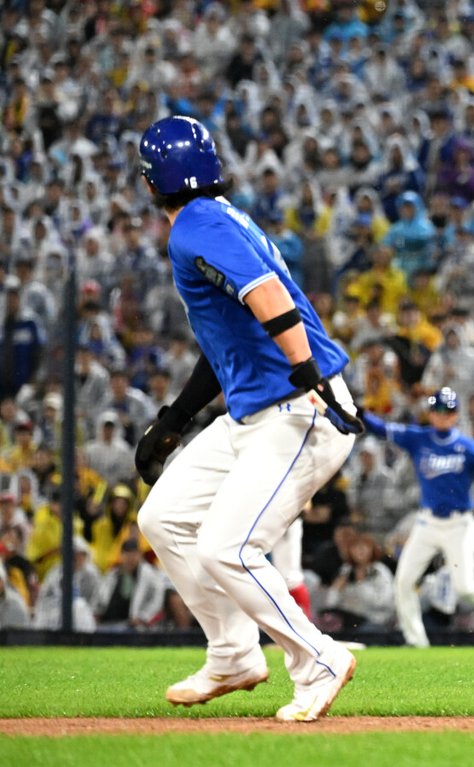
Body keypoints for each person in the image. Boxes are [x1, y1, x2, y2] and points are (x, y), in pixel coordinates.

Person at [133, 117, 363, 723]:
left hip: (297, 404)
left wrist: (309, 372)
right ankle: (233, 653)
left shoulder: (197, 226)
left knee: (228, 545)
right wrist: (175, 419)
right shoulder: (220, 217)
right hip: (257, 411)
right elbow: (230, 340)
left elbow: (268, 298)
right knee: (163, 517)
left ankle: (319, 660)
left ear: (151, 182)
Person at [360, 387, 474, 647]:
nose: (442, 415)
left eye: (448, 410)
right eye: (437, 409)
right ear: (430, 412)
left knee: (465, 585)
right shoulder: (419, 438)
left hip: (459, 523)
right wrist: (362, 415)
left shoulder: (465, 445)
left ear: (456, 414)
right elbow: (384, 431)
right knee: (404, 582)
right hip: (427, 523)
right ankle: (416, 641)